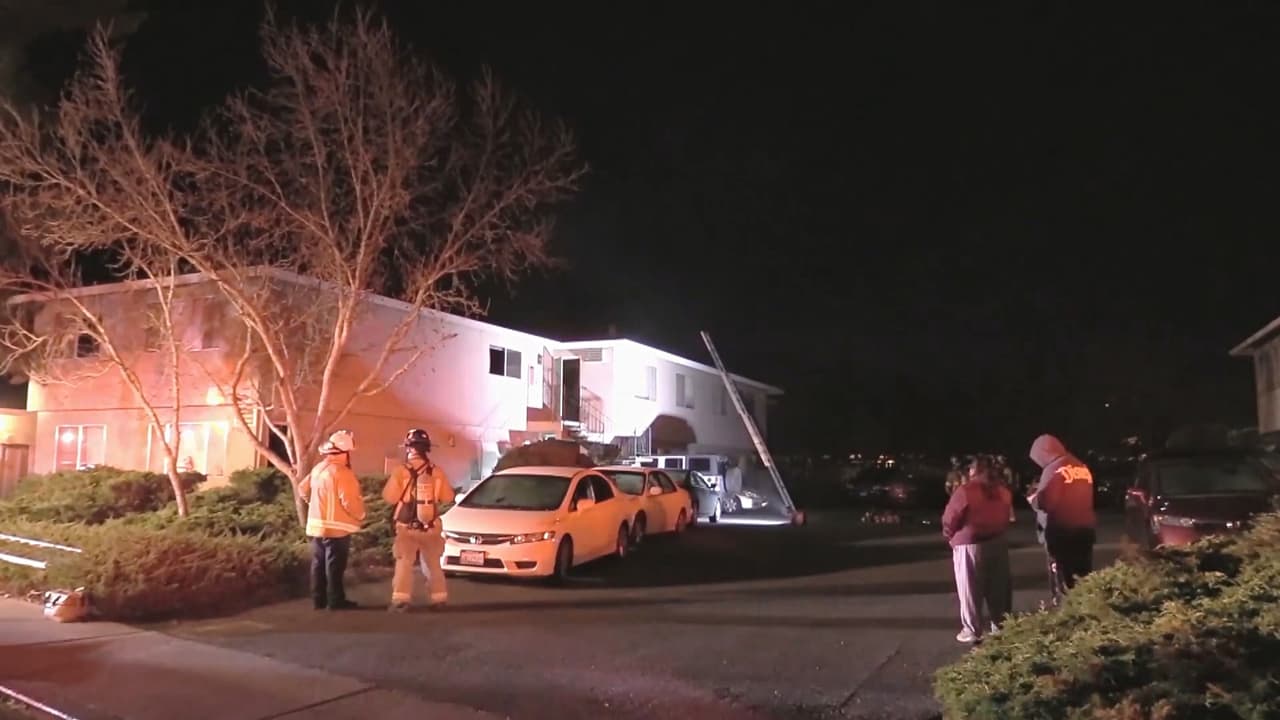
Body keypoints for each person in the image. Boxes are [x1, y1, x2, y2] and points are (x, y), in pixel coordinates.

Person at [941, 456, 1013, 643]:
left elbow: (950, 518)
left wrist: (951, 536)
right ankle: (1001, 626)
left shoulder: (965, 491)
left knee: (970, 589)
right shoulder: (1003, 491)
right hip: (997, 542)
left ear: (974, 471)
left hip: (970, 544)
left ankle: (972, 629)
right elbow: (1006, 516)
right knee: (998, 588)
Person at [382, 429, 455, 612]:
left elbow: (389, 497)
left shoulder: (401, 471)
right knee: (433, 563)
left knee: (404, 562)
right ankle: (439, 599)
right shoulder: (437, 471)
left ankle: (401, 601)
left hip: (406, 526)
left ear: (409, 448)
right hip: (431, 525)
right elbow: (447, 497)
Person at [299, 430, 366, 611]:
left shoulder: (318, 469)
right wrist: (361, 515)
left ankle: (318, 600)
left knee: (318, 564)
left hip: (316, 528)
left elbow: (302, 489)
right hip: (337, 530)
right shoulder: (343, 473)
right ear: (345, 452)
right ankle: (336, 601)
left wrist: (312, 503)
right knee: (335, 566)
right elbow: (349, 502)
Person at [1028, 434, 1097, 606]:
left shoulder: (1054, 469)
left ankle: (1067, 613)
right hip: (1085, 531)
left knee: (1063, 583)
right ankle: (1086, 611)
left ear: (1044, 452)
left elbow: (1046, 501)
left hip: (1062, 534)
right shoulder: (1080, 466)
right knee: (1083, 578)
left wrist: (1034, 499)